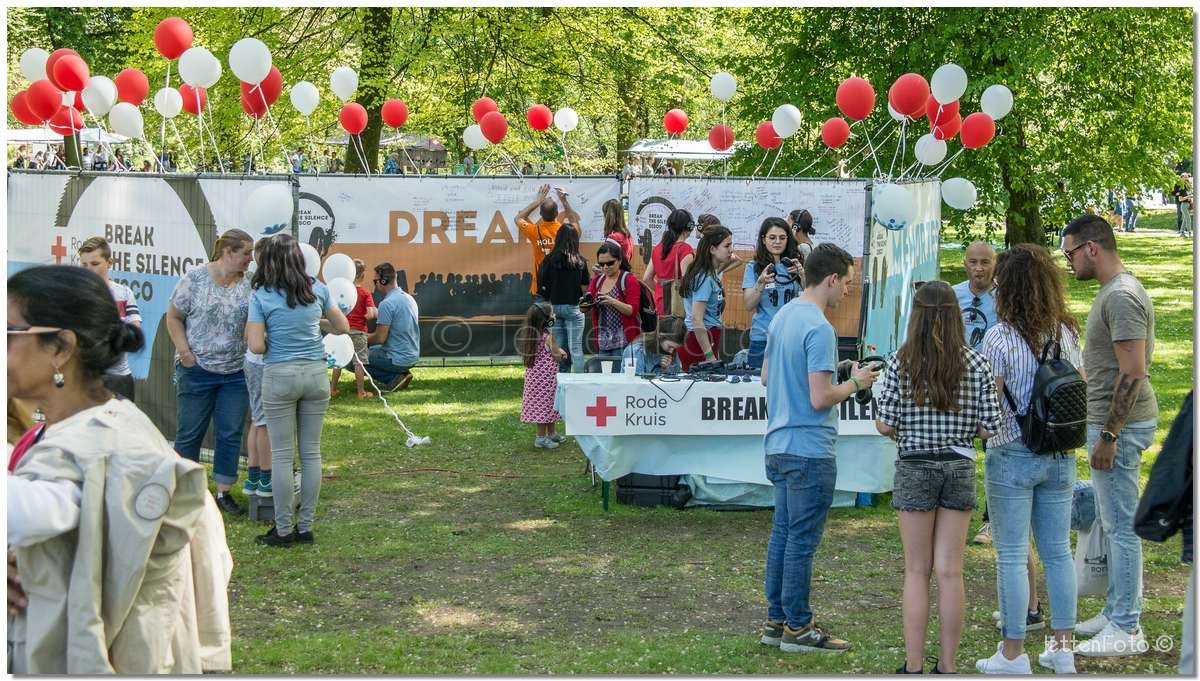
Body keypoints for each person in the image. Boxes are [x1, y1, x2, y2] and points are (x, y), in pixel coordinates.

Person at [7, 265, 231, 673]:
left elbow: (25, 509)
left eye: (9, 333)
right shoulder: (106, 423)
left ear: (60, 348)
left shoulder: (96, 448)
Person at [759, 243, 880, 654]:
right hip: (809, 448)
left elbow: (765, 377)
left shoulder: (783, 316)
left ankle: (776, 621)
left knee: (783, 536)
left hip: (778, 443)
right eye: (846, 283)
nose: (847, 291)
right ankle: (799, 627)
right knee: (801, 542)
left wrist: (840, 375)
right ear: (831, 279)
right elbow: (820, 397)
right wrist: (857, 383)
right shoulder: (820, 328)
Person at [875, 280, 1001, 674]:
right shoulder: (976, 362)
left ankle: (913, 665)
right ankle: (947, 666)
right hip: (959, 465)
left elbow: (884, 423)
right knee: (950, 570)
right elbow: (989, 428)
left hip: (914, 463)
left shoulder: (901, 361)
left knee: (916, 569)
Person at [974, 244, 1084, 674]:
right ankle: (1063, 647)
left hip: (1011, 452)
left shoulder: (998, 337)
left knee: (1011, 552)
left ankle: (1013, 652)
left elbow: (991, 399)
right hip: (1059, 452)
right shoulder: (1066, 332)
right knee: (1058, 551)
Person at [1061, 214, 1158, 658]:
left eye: (1070, 253)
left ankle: (1127, 625)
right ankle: (1116, 608)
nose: (1069, 263)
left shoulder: (1120, 296)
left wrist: (1109, 434)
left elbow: (1133, 371)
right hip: (1111, 425)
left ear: (1092, 248)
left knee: (1120, 526)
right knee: (1112, 519)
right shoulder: (1112, 292)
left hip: (1121, 425)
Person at [246, 234, 350, 546]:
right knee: (311, 453)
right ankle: (305, 528)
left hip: (279, 374)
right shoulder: (316, 288)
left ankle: (282, 529)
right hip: (316, 374)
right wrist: (316, 324)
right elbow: (343, 326)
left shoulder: (260, 294)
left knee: (281, 455)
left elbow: (256, 345)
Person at [165, 229, 254, 515]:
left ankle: (223, 493)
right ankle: (184, 493)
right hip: (197, 369)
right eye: (246, 253)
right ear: (228, 252)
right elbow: (174, 316)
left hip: (236, 371)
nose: (250, 259)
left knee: (229, 432)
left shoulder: (249, 284)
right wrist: (185, 352)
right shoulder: (195, 278)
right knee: (190, 432)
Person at [77, 236, 142, 401]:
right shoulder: (74, 295)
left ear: (109, 263)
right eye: (84, 265)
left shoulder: (124, 293)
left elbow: (135, 336)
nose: (89, 269)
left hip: (118, 378)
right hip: (84, 377)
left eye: (95, 264)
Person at [743, 218, 803, 369]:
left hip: (790, 337)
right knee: (759, 387)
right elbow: (749, 305)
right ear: (763, 240)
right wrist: (761, 282)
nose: (777, 242)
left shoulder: (794, 265)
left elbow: (812, 297)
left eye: (782, 238)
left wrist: (803, 275)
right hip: (763, 338)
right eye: (772, 238)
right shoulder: (753, 267)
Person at [241, 237, 273, 500]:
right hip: (261, 362)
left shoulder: (256, 288)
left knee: (257, 420)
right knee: (264, 423)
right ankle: (265, 479)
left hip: (252, 363)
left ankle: (253, 478)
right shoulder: (266, 291)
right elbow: (254, 338)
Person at [678, 225, 734, 371]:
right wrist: (709, 355)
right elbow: (697, 318)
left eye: (731, 245)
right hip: (698, 343)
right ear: (712, 249)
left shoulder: (711, 274)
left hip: (706, 339)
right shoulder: (705, 278)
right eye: (727, 246)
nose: (731, 250)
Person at [537, 224, 589, 373]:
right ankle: (579, 381)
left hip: (553, 308)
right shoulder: (580, 261)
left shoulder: (548, 260)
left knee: (557, 347)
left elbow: (542, 285)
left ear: (557, 238)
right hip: (574, 308)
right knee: (576, 348)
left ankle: (559, 380)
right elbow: (585, 287)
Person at [517, 301, 567, 449]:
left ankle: (551, 434)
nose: (555, 315)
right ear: (547, 320)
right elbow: (557, 356)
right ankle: (540, 438)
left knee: (547, 406)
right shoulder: (549, 337)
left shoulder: (531, 335)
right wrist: (562, 353)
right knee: (546, 407)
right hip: (547, 380)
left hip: (535, 379)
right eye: (552, 314)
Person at [515, 183, 578, 297]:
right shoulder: (566, 231)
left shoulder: (534, 231)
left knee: (541, 314)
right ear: (557, 213)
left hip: (540, 285)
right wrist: (564, 201)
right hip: (561, 285)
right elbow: (574, 222)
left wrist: (537, 201)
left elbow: (518, 218)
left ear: (540, 214)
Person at [366, 262, 420, 392]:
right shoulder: (409, 298)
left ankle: (393, 377)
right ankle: (401, 374)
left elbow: (380, 338)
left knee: (353, 357)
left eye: (375, 281)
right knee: (372, 349)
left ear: (383, 281)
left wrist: (357, 339)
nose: (376, 284)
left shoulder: (387, 303)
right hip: (412, 356)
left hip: (397, 358)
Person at [330, 258, 377, 399]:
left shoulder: (342, 292)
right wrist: (369, 314)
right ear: (362, 275)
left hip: (342, 330)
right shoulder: (365, 293)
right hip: (359, 331)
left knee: (338, 360)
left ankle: (332, 389)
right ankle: (361, 392)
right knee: (359, 362)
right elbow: (369, 314)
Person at [586, 240, 642, 357]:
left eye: (610, 263)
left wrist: (612, 301)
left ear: (619, 261)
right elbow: (587, 303)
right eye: (601, 264)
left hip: (624, 341)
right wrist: (584, 305)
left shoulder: (628, 280)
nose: (605, 267)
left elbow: (632, 310)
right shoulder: (598, 280)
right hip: (602, 341)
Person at [642, 208, 696, 316]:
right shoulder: (685, 250)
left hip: (661, 303)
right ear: (689, 227)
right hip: (679, 307)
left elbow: (646, 278)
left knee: (662, 332)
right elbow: (688, 284)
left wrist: (662, 289)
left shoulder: (658, 248)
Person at [621, 315, 686, 375]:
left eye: (675, 348)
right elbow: (636, 382)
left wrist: (666, 369)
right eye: (670, 346)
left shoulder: (670, 350)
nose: (671, 351)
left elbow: (678, 377)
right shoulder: (636, 351)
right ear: (659, 337)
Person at [602, 198, 634, 262]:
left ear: (607, 216)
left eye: (604, 214)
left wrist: (597, 270)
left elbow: (607, 264)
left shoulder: (613, 237)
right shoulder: (627, 235)